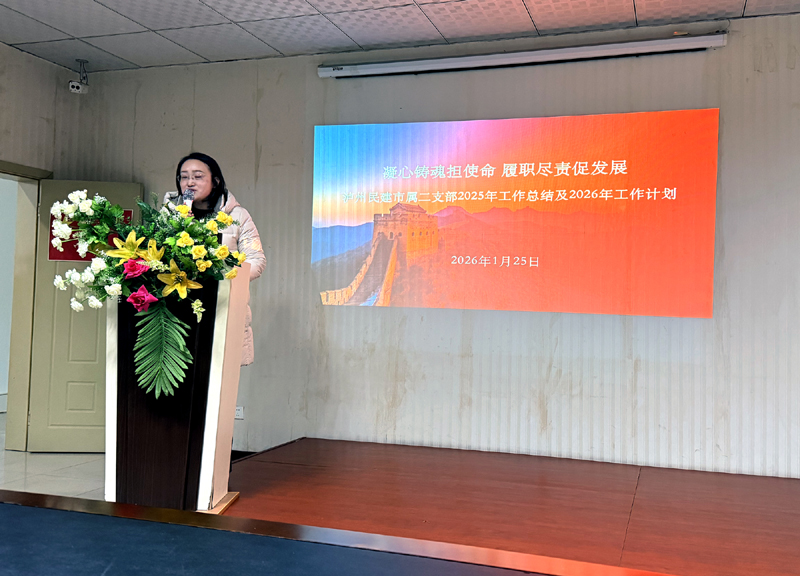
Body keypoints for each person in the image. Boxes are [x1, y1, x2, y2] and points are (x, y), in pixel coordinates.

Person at [164, 152, 266, 366]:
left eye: (198, 176)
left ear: (216, 181)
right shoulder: (169, 214)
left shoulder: (237, 216)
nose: (189, 182)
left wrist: (221, 274)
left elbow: (256, 261)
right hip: (175, 312)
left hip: (221, 308)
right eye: (184, 177)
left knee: (217, 378)